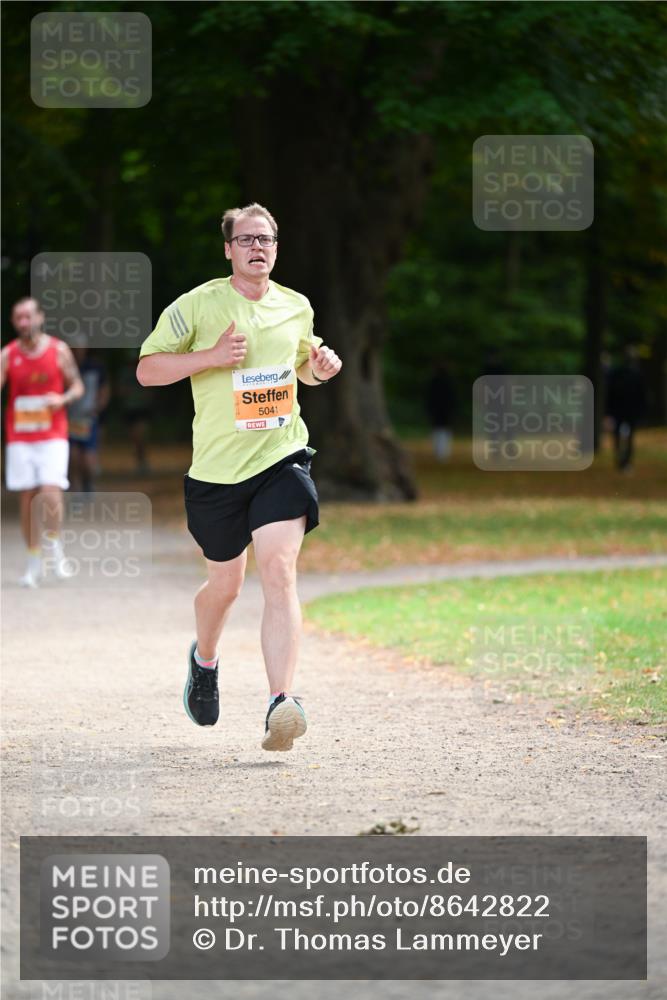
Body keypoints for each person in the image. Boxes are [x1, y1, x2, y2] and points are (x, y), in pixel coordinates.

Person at [136, 202, 342, 751]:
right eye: (247, 239)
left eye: (267, 239)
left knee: (279, 570)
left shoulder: (295, 306)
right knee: (224, 586)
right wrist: (209, 356)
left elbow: (300, 362)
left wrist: (316, 370)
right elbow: (147, 369)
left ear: (276, 247)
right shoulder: (197, 305)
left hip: (281, 456)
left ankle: (282, 702)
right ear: (228, 248)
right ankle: (204, 660)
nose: (258, 247)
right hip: (217, 473)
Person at [1, 297, 84, 587]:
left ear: (40, 318)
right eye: (18, 318)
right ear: (14, 322)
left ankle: (54, 544)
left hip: (52, 434)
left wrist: (62, 398)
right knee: (27, 497)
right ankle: (33, 560)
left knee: (50, 491)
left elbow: (78, 386)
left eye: (28, 316)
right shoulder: (7, 355)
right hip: (20, 436)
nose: (24, 322)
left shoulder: (58, 351)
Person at [67, 344, 110, 492]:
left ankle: (88, 484)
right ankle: (75, 488)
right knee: (72, 455)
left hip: (88, 420)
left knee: (88, 460)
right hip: (69, 420)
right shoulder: (64, 365)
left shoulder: (95, 367)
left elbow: (104, 391)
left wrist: (97, 409)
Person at [605, 345, 647, 472]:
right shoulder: (618, 373)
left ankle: (626, 461)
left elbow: (641, 394)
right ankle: (621, 460)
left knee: (628, 437)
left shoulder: (636, 374)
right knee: (620, 436)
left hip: (629, 411)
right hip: (620, 410)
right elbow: (610, 393)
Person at [426, 360, 455, 462]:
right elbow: (452, 398)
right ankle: (443, 453)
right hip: (446, 410)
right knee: (444, 430)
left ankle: (439, 452)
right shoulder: (449, 382)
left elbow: (429, 398)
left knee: (438, 430)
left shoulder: (433, 382)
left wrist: (429, 409)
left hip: (437, 410)